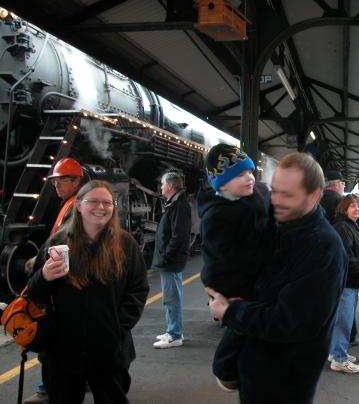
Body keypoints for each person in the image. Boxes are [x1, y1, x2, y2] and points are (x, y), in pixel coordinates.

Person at [206, 152, 347, 404]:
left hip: (284, 383)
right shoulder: (283, 225)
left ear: (315, 195)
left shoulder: (323, 248)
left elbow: (292, 322)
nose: (276, 201)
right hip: (258, 371)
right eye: (274, 191)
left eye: (288, 195)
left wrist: (230, 311)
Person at [27, 180, 149, 403]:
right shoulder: (58, 242)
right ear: (79, 206)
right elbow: (35, 294)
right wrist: (44, 276)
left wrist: (118, 325)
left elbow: (138, 289)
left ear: (113, 208)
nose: (100, 207)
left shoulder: (126, 244)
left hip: (109, 348)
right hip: (63, 349)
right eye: (93, 201)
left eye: (107, 202)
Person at [198, 143, 273, 391]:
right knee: (242, 324)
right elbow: (227, 259)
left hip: (254, 273)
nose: (249, 178)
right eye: (240, 174)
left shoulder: (259, 192)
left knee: (251, 324)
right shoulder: (216, 216)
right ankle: (224, 368)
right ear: (221, 183)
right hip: (230, 279)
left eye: (250, 171)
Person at [24, 158, 84, 404]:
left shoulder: (76, 206)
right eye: (55, 181)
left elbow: (64, 244)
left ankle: (47, 390)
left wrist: (40, 268)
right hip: (63, 277)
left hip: (63, 282)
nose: (56, 186)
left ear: (76, 181)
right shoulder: (71, 203)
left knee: (53, 339)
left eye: (61, 181)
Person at [151, 171, 191, 348]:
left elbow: (179, 235)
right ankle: (172, 330)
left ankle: (174, 334)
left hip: (171, 260)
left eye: (162, 184)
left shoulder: (179, 206)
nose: (161, 187)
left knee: (171, 297)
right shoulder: (175, 203)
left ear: (170, 186)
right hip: (170, 259)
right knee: (171, 296)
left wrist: (166, 254)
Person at [329, 195, 359, 374]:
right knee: (343, 321)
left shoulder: (350, 225)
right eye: (352, 206)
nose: (357, 209)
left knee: (342, 320)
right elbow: (346, 256)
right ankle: (339, 359)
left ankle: (336, 352)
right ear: (343, 208)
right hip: (347, 281)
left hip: (349, 280)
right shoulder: (343, 227)